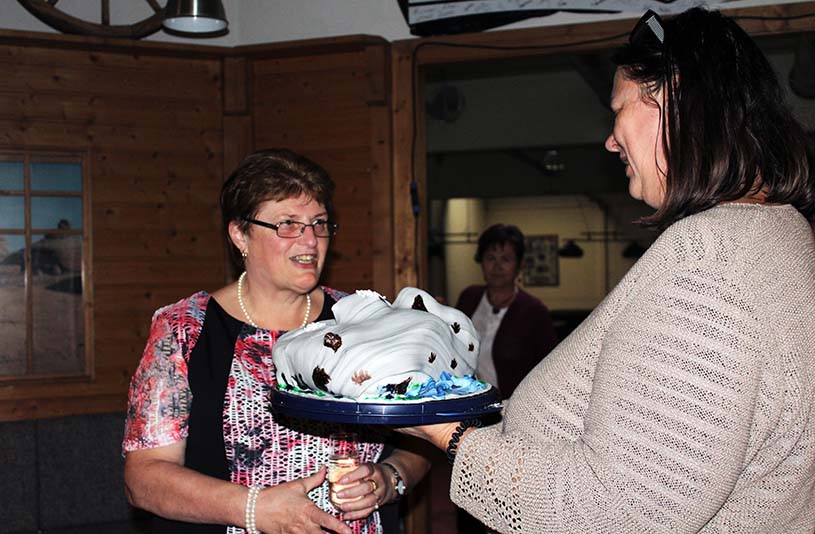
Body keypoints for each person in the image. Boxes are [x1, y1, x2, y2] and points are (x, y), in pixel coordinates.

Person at [400, 8, 815, 533]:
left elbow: (614, 511)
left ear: (675, 97)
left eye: (618, 109)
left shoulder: (708, 260)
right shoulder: (782, 232)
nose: (610, 141)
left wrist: (450, 436)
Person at [122, 149, 429, 534]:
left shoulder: (364, 319)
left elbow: (420, 441)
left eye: (319, 224)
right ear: (240, 235)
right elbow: (144, 479)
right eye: (288, 224)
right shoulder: (184, 330)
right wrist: (255, 509)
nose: (311, 240)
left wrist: (388, 478)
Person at [455, 224, 557, 400]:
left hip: (513, 409)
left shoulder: (534, 311)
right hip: (467, 404)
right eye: (490, 258)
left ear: (520, 265)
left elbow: (551, 368)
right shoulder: (468, 298)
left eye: (506, 259)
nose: (497, 266)